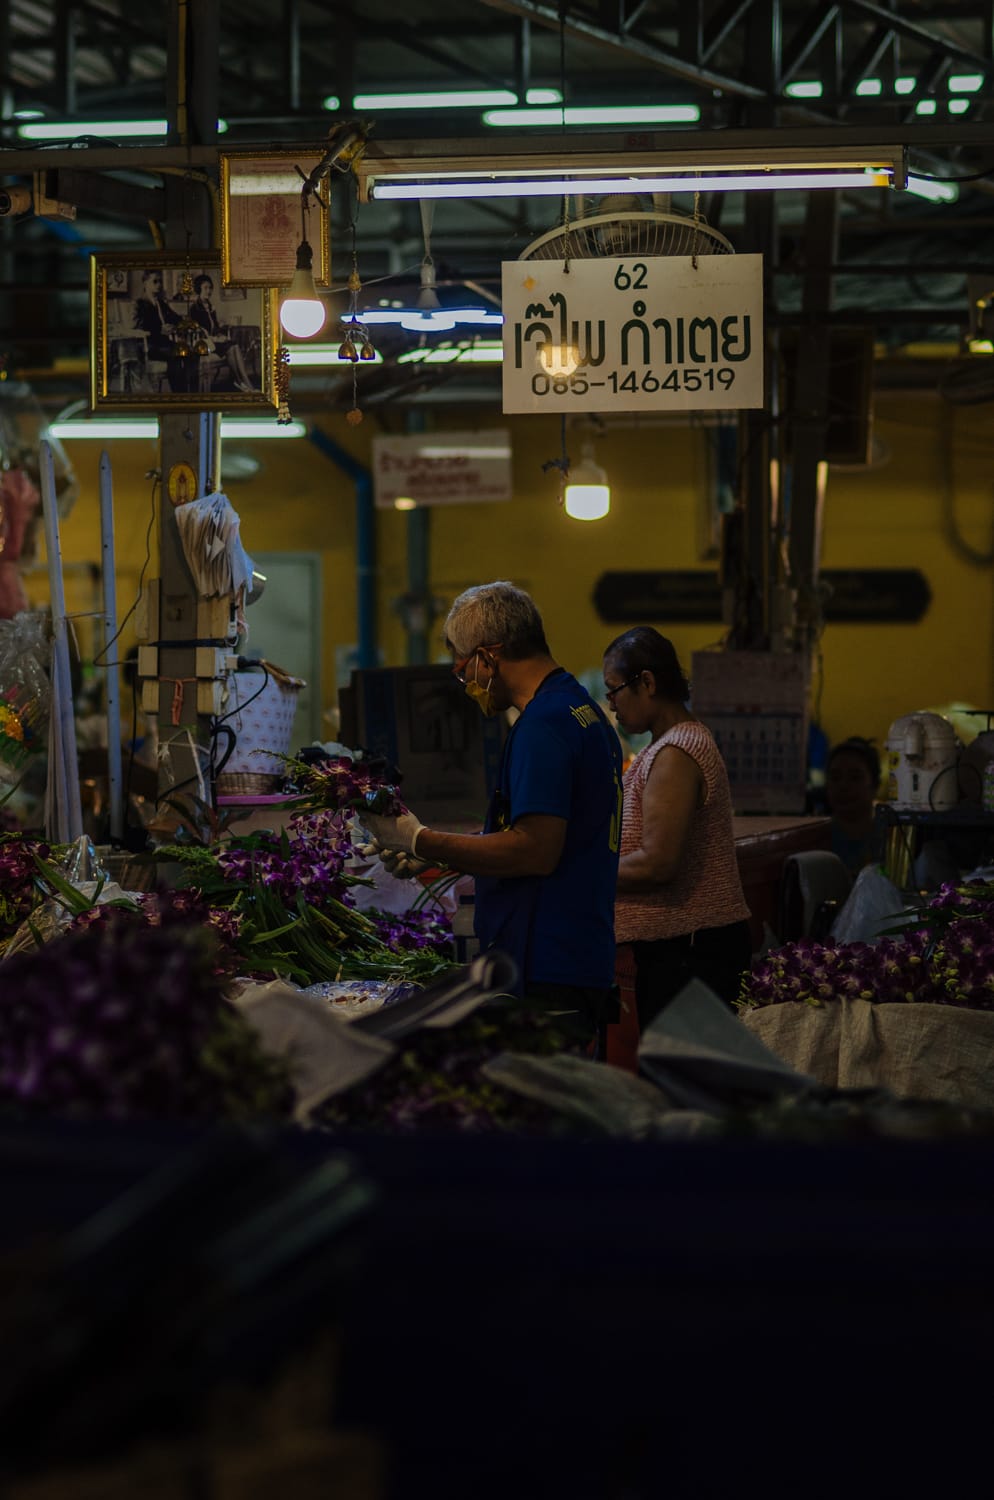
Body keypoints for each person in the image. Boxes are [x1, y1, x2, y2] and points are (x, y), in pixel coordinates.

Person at [361, 581, 624, 1046]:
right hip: (577, 954)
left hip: (547, 964)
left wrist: (419, 839)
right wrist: (446, 856)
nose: (466, 684)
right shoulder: (580, 709)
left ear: (489, 656)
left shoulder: (543, 726)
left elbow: (534, 850)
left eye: (464, 669)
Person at [604, 626, 752, 1037]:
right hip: (682, 953)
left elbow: (658, 864)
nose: (611, 704)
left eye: (614, 690)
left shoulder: (677, 752)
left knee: (686, 1084)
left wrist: (577, 873)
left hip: (692, 956)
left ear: (647, 682)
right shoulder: (669, 745)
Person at [188, 274, 255, 392]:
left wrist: (220, 334)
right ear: (199, 289)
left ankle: (243, 382)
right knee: (231, 347)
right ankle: (244, 383)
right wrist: (215, 338)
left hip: (213, 341)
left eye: (210, 288)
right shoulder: (194, 308)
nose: (209, 291)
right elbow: (198, 331)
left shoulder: (210, 307)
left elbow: (215, 327)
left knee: (234, 345)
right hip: (204, 344)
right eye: (205, 288)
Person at [132, 268, 195, 393]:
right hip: (148, 346)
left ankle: (191, 392)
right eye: (155, 282)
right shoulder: (139, 303)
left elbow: (175, 317)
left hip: (164, 344)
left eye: (160, 282)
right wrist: (159, 330)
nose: (159, 285)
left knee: (190, 352)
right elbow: (137, 326)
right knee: (176, 354)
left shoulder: (161, 302)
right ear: (145, 283)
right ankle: (179, 395)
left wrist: (182, 323)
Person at [825, 737, 880, 876]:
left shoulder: (888, 841)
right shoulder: (812, 839)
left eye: (855, 777)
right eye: (835, 777)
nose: (843, 786)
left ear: (875, 785)